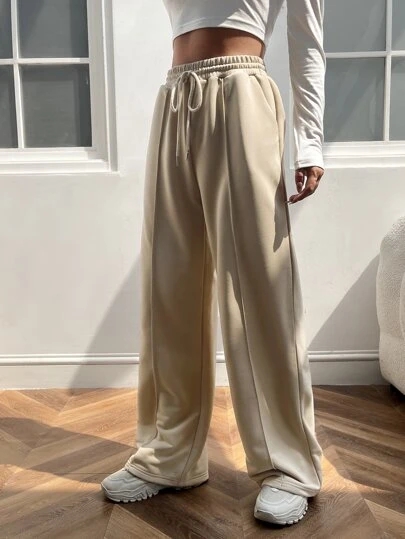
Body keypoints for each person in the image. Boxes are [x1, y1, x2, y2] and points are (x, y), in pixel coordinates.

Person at [101, 0, 326, 527]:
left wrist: (309, 143)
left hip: (243, 92)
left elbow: (308, 40)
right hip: (175, 95)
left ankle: (289, 465)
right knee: (168, 285)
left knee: (259, 290)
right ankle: (171, 453)